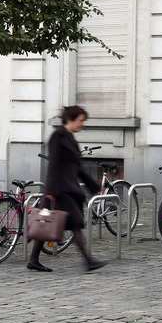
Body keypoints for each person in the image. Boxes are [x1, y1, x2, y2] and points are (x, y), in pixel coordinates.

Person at [27, 105, 106, 272]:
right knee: (75, 224)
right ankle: (88, 261)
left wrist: (93, 185)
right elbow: (54, 165)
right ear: (71, 119)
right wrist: (50, 191)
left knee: (48, 224)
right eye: (80, 121)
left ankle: (33, 260)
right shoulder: (58, 136)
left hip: (68, 188)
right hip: (59, 189)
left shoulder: (70, 138)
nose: (82, 124)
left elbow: (77, 168)